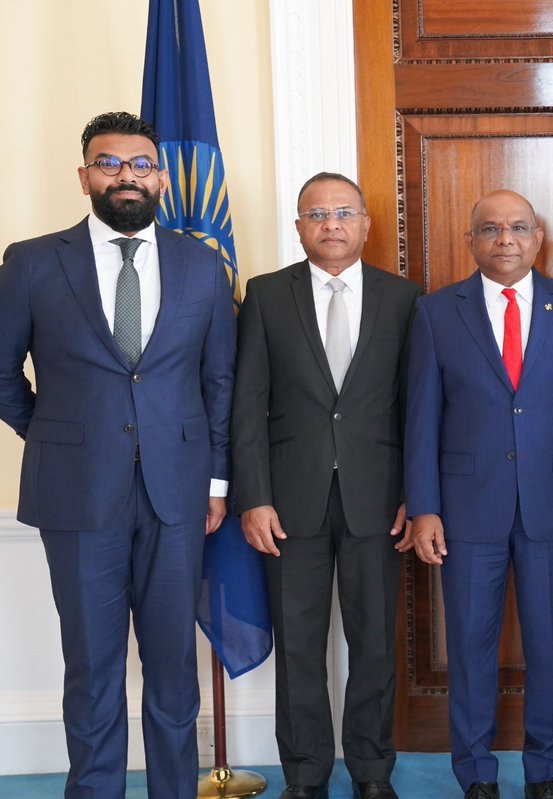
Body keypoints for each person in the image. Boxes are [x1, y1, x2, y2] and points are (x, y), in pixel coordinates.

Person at [0, 111, 235, 799]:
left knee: (173, 669)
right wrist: (57, 435)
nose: (125, 175)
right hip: (75, 492)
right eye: (109, 163)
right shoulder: (32, 261)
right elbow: (3, 372)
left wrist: (217, 481)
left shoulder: (202, 264)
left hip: (179, 492)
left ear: (160, 177)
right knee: (93, 667)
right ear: (85, 177)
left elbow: (219, 381)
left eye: (140, 164)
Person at [404, 190, 553, 799]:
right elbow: (421, 419)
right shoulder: (436, 313)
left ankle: (545, 773)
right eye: (490, 228)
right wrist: (424, 508)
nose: (505, 239)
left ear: (538, 238)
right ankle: (475, 773)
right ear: (471, 240)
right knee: (470, 649)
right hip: (467, 508)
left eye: (518, 227)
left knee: (549, 647)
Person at [231, 172, 421, 799]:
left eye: (343, 213)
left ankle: (372, 770)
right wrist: (254, 497)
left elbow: (416, 408)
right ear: (299, 227)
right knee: (299, 647)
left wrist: (416, 496)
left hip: (380, 500)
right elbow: (247, 405)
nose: (331, 225)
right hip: (289, 503)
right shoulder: (266, 295)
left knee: (374, 644)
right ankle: (305, 774)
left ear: (365, 223)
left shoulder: (404, 298)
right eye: (317, 214)